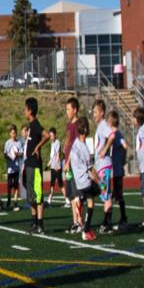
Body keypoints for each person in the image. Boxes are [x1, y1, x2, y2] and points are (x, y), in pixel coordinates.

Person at [68, 114, 99, 240]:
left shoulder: (75, 143)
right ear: (86, 130)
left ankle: (80, 200)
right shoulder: (85, 149)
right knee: (95, 196)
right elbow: (91, 170)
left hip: (78, 182)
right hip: (85, 182)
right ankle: (86, 231)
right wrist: (100, 182)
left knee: (88, 196)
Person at [23, 97, 50, 233]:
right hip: (29, 164)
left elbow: (47, 135)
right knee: (31, 195)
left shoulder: (35, 124)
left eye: (25, 109)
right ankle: (34, 222)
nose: (24, 111)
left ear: (30, 111)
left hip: (35, 165)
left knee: (38, 195)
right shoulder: (30, 126)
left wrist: (38, 146)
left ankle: (40, 224)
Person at [92, 98, 116, 233]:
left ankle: (107, 223)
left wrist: (105, 150)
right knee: (104, 193)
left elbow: (112, 135)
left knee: (106, 194)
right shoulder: (100, 127)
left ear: (102, 113)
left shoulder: (103, 125)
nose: (94, 114)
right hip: (101, 165)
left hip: (105, 165)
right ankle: (107, 222)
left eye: (96, 112)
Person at [62, 97, 82, 233]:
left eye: (69, 109)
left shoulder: (78, 125)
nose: (67, 112)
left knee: (76, 194)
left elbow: (76, 146)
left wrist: (68, 161)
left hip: (74, 164)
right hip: (68, 164)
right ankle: (75, 221)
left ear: (75, 110)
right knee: (71, 193)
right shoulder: (69, 125)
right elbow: (68, 142)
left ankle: (80, 222)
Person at [108, 109, 129, 230]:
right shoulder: (118, 134)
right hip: (116, 169)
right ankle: (121, 218)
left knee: (115, 195)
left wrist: (121, 159)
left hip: (115, 170)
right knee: (116, 194)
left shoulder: (115, 134)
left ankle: (121, 219)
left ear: (110, 122)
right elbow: (125, 146)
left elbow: (125, 145)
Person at [3, 124, 21, 210]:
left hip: (17, 167)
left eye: (15, 133)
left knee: (16, 186)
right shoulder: (7, 143)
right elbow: (5, 154)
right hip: (10, 168)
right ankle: (9, 200)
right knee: (9, 186)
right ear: (10, 133)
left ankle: (15, 202)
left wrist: (18, 154)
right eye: (12, 133)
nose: (14, 134)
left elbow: (21, 153)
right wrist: (8, 156)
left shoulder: (18, 143)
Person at [47, 127, 63, 205]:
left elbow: (58, 154)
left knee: (61, 184)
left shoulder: (57, 142)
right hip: (53, 166)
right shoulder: (52, 143)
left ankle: (66, 199)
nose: (51, 137)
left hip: (57, 166)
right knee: (52, 183)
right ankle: (50, 197)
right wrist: (49, 164)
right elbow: (52, 156)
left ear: (55, 135)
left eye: (52, 135)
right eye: (50, 136)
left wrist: (56, 164)